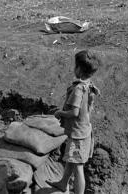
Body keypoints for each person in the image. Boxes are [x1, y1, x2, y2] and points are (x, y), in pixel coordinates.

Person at [48, 50, 101, 194]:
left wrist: (60, 113)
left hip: (78, 135)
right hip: (83, 130)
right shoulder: (88, 85)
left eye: (75, 66)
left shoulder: (78, 89)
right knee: (71, 160)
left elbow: (74, 112)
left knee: (78, 167)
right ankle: (63, 183)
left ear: (79, 69)